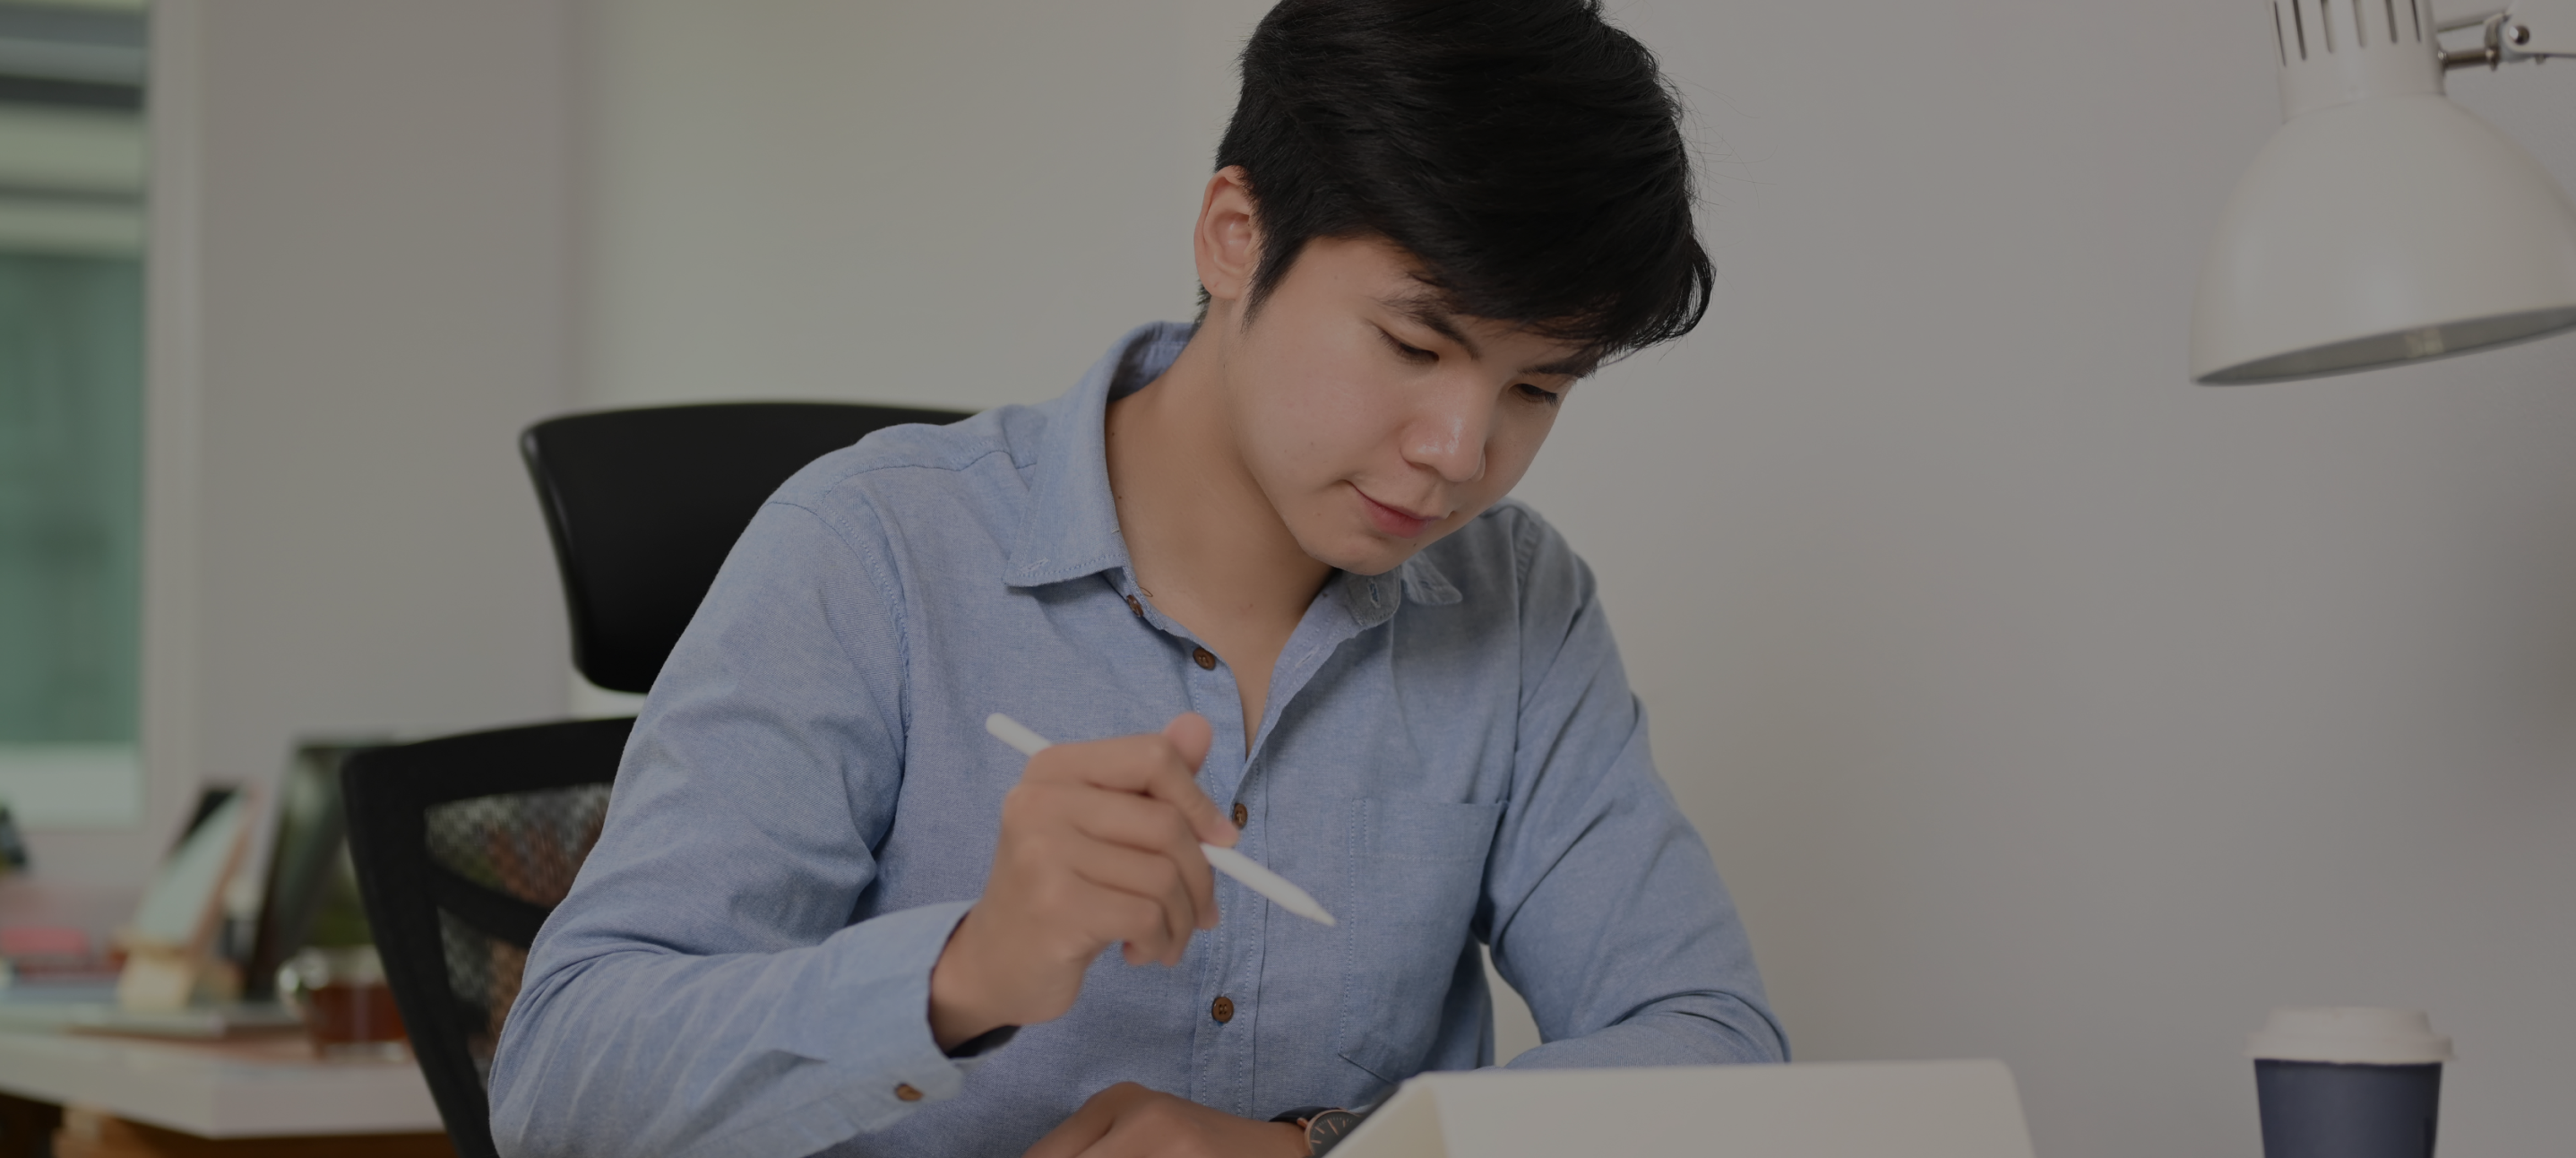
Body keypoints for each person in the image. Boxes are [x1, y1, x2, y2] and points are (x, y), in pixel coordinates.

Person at [489, 3, 1786, 1155]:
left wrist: (1310, 1151)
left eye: (1535, 389)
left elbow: (1713, 1049)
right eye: (1411, 344)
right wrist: (960, 971)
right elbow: (559, 1087)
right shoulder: (872, 547)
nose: (1457, 453)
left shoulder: (1516, 604)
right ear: (1235, 236)